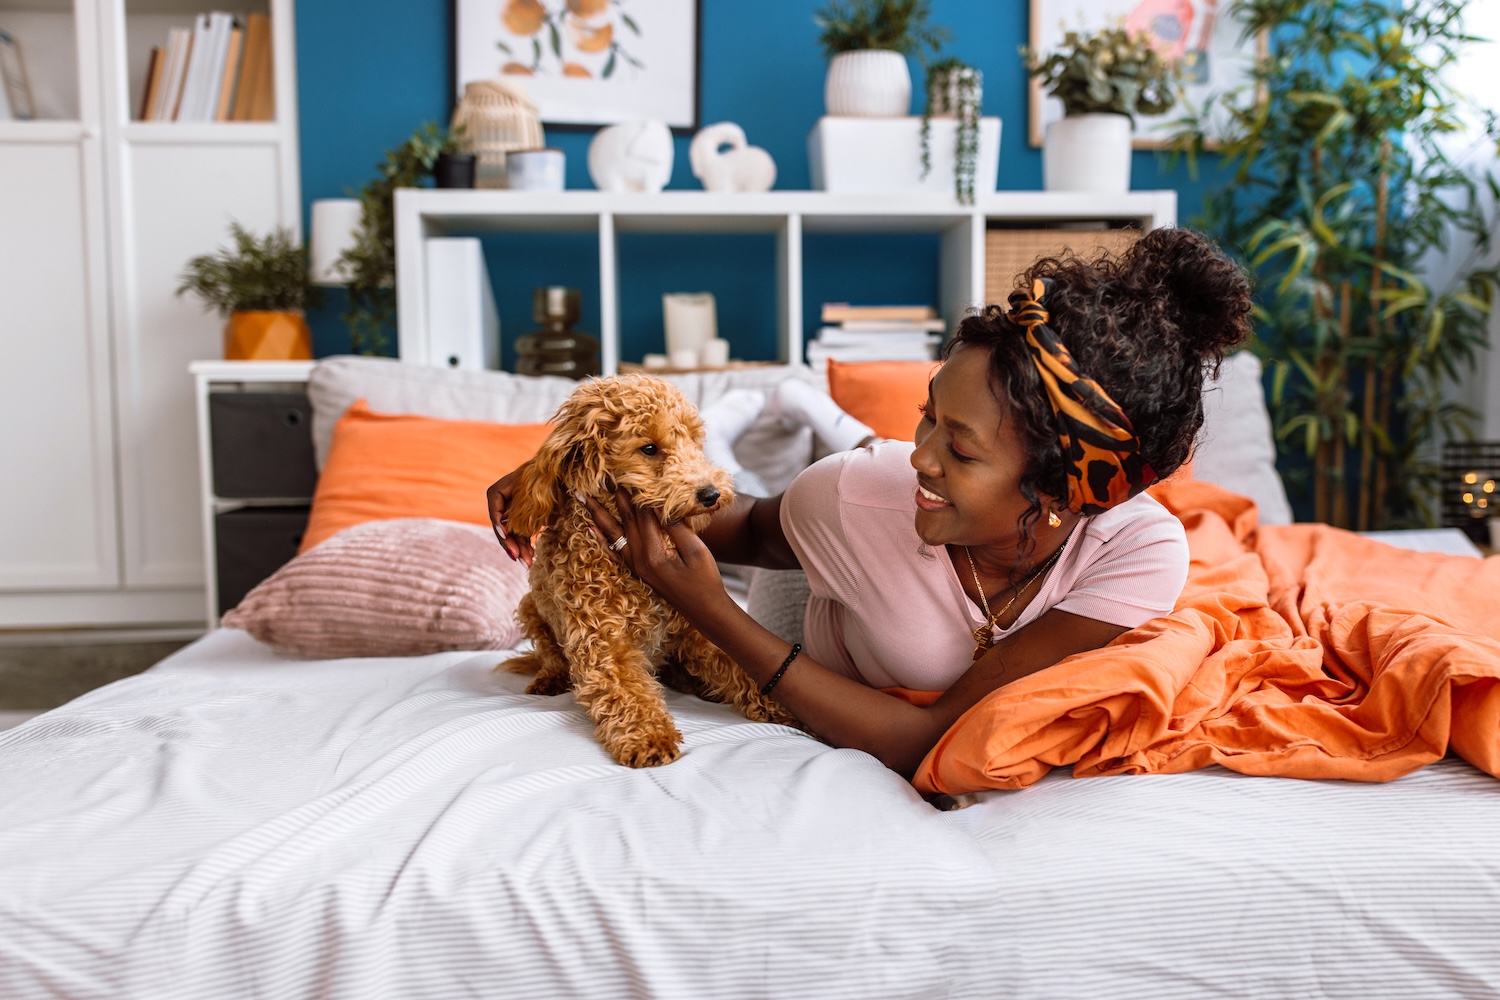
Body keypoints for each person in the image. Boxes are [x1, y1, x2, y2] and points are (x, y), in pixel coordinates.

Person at [488, 227, 1252, 780]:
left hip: (832, 589)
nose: (921, 450)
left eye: (960, 446)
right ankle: (769, 413)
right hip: (816, 580)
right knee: (858, 464)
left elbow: (926, 735)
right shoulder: (856, 488)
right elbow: (736, 520)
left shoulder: (1140, 549)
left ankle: (790, 407)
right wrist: (568, 471)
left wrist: (714, 613)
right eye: (928, 414)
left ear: (1061, 490)